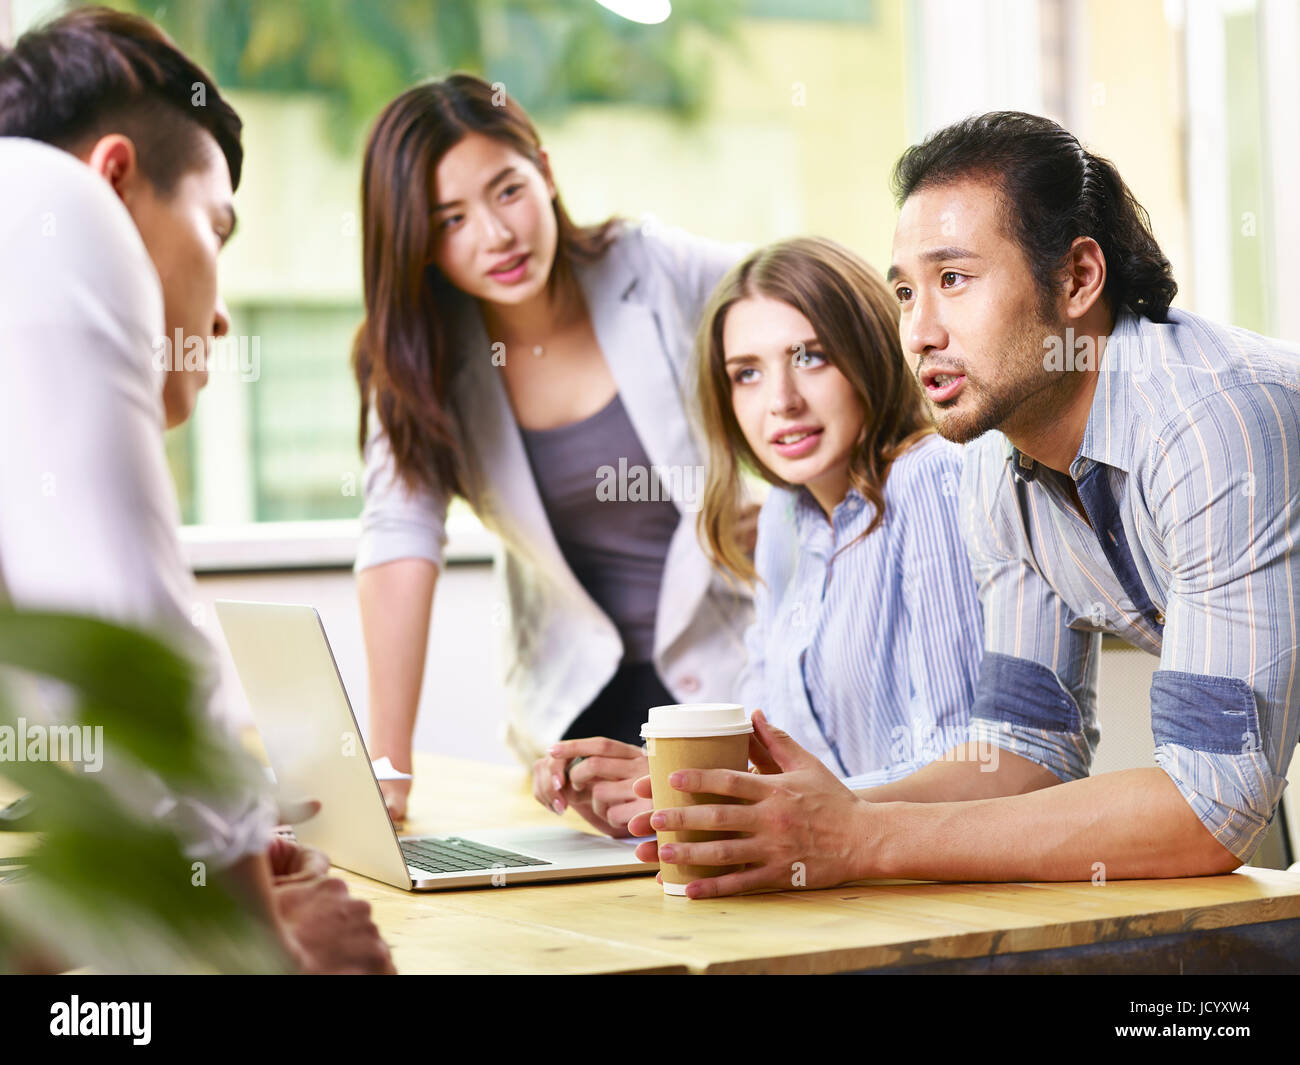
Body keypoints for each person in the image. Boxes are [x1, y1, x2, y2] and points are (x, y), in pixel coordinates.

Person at [626, 111, 1300, 897]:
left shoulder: (1210, 423)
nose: (918, 330)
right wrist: (797, 820)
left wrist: (861, 835)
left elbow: (1209, 805)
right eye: (906, 291)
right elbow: (1024, 748)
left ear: (1078, 278)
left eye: (954, 279)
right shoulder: (994, 464)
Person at [0, 7, 393, 972]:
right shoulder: (46, 200)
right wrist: (263, 947)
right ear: (114, 178)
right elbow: (133, 662)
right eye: (216, 229)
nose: (219, 318)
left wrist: (210, 876)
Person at [352, 75, 755, 823]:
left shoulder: (654, 269)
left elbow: (813, 318)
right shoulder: (418, 361)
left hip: (726, 681)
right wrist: (388, 771)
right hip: (577, 712)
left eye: (507, 190)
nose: (496, 235)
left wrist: (790, 507)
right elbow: (399, 540)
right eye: (448, 220)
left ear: (544, 168)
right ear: (416, 243)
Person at [536, 237, 986, 837]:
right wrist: (662, 789)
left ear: (870, 354)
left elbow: (960, 769)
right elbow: (773, 752)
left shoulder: (929, 479)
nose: (781, 402)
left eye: (811, 358)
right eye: (747, 374)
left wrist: (745, 807)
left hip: (939, 883)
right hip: (831, 879)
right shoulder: (783, 515)